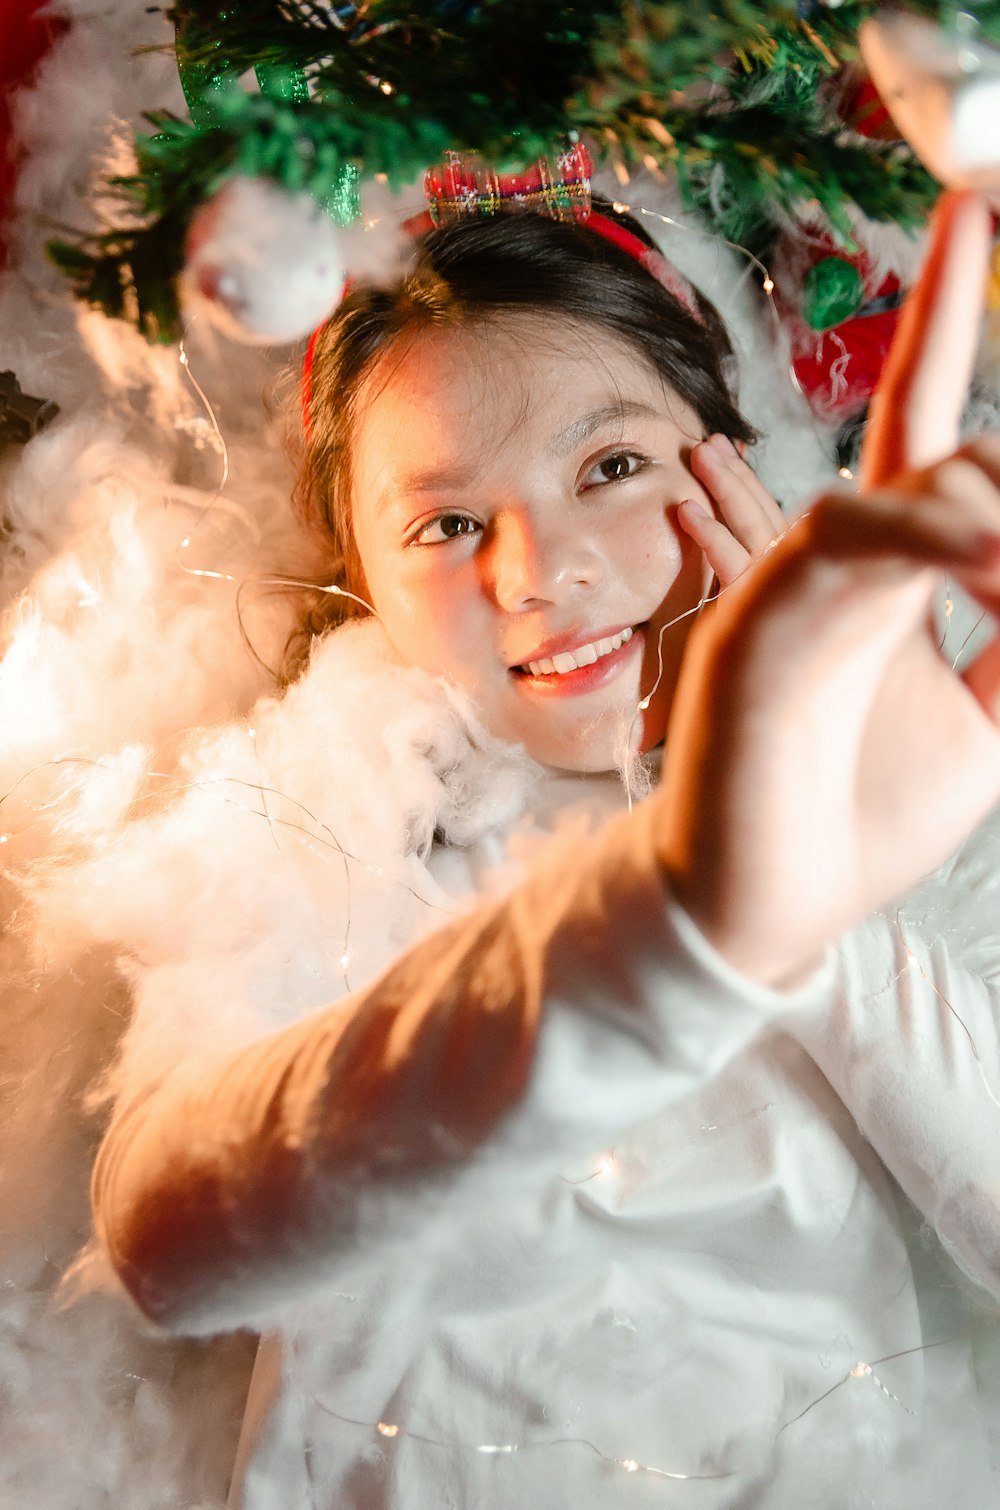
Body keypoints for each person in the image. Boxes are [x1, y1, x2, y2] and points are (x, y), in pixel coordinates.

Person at [88, 181, 1000, 1507]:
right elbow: (161, 1232)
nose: (539, 568)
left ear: (734, 462)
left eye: (611, 466)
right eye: (447, 525)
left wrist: (817, 896)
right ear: (360, 582)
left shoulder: (916, 763)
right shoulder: (310, 825)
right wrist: (676, 922)